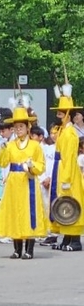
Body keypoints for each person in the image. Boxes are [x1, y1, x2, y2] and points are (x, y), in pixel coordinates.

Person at [0, 107, 46, 259]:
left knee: (29, 213)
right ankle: (17, 248)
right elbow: (2, 163)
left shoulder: (35, 146)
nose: (18, 130)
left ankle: (29, 249)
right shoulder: (10, 145)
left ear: (27, 127)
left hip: (28, 180)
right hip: (13, 181)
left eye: (21, 127)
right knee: (15, 212)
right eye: (16, 127)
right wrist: (3, 150)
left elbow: (41, 165)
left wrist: (31, 166)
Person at [49, 89, 84, 250]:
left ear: (68, 115)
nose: (58, 117)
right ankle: (67, 238)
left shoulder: (70, 134)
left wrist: (67, 180)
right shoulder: (64, 131)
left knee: (71, 202)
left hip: (68, 171)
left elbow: (69, 157)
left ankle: (75, 240)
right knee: (63, 203)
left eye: (61, 114)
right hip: (61, 168)